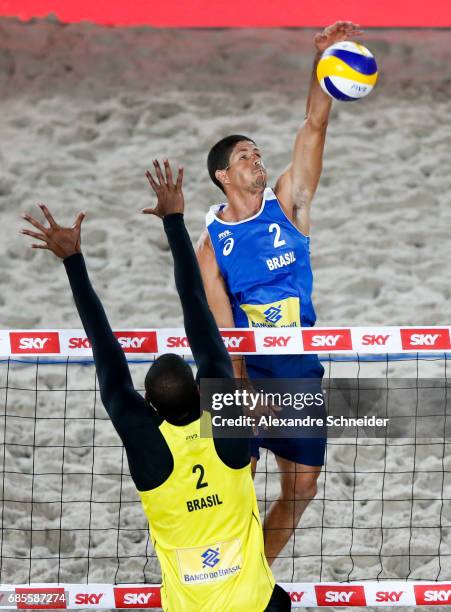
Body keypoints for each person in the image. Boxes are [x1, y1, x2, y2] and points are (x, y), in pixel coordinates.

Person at [20, 160, 291, 611]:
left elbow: (106, 356)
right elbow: (195, 304)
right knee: (276, 599)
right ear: (205, 392)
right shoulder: (222, 421)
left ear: (147, 404)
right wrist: (174, 220)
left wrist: (72, 261)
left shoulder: (147, 443)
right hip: (254, 603)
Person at [196, 22, 363, 565]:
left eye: (258, 153)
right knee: (236, 485)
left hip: (298, 366)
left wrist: (323, 61)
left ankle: (253, 574)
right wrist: (237, 387)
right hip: (247, 372)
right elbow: (221, 325)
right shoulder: (212, 242)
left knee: (304, 488)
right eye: (245, 155)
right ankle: (225, 576)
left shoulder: (287, 202)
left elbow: (314, 125)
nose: (256, 159)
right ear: (223, 174)